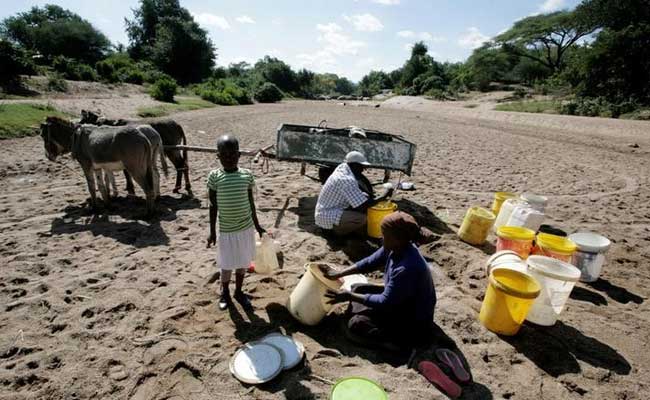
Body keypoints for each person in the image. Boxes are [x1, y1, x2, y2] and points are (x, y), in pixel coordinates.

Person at [323, 211, 436, 348]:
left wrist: (349, 297)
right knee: (358, 288)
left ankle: (392, 342)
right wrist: (340, 274)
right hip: (401, 299)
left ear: (398, 239)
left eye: (385, 235)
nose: (381, 238)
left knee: (357, 323)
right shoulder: (396, 247)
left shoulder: (407, 268)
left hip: (412, 318)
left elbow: (385, 301)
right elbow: (370, 262)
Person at [207, 135, 266, 311]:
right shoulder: (215, 177)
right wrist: (212, 232)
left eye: (232, 154)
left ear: (239, 155)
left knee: (243, 263)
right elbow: (212, 205)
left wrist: (257, 226)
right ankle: (225, 291)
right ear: (218, 156)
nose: (229, 158)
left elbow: (251, 203)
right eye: (224, 155)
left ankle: (239, 291)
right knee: (226, 265)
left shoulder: (247, 175)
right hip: (227, 230)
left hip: (245, 228)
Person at [314, 151, 393, 235]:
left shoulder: (343, 167)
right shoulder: (345, 179)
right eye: (361, 166)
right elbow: (362, 206)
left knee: (364, 197)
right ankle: (335, 232)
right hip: (327, 216)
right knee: (363, 218)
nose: (363, 169)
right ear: (354, 165)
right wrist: (383, 196)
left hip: (328, 210)